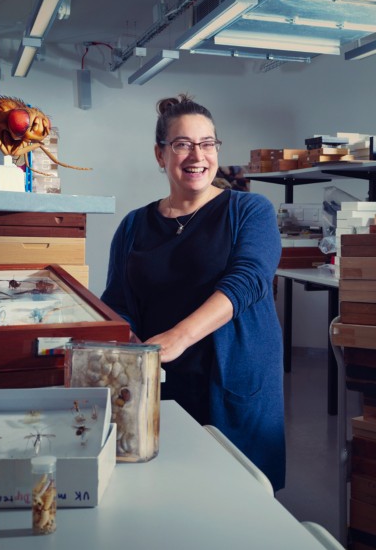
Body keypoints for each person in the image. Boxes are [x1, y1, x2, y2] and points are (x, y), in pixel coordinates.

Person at [101, 94, 285, 490]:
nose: (197, 155)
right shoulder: (134, 225)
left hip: (229, 379)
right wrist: (127, 346)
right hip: (159, 380)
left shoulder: (250, 211)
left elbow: (249, 280)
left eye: (207, 143)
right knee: (166, 490)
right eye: (183, 144)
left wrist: (178, 337)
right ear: (160, 154)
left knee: (239, 494)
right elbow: (117, 301)